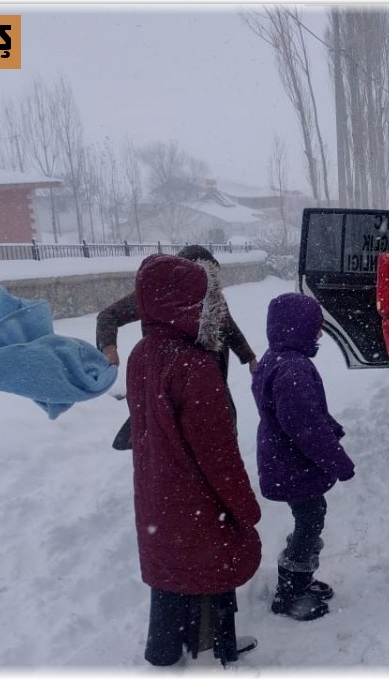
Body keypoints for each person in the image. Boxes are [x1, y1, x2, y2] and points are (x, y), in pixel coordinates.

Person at [126, 254, 262, 667]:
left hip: (155, 493)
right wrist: (245, 509)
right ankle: (221, 646)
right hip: (198, 500)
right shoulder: (196, 367)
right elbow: (220, 456)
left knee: (169, 567)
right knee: (215, 565)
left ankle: (165, 649)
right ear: (188, 305)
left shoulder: (140, 355)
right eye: (205, 300)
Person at [251, 293, 356, 621]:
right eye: (315, 329)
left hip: (282, 457)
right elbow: (303, 425)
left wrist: (330, 425)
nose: (319, 335)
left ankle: (301, 579)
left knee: (310, 515)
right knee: (310, 519)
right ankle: (290, 591)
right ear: (297, 328)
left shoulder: (276, 357)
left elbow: (302, 414)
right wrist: (338, 461)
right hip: (292, 462)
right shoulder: (293, 368)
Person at [97, 245, 257, 448]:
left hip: (211, 378)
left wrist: (249, 357)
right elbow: (108, 316)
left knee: (222, 432)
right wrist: (108, 347)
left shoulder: (213, 296)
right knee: (176, 439)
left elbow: (229, 327)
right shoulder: (156, 295)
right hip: (171, 379)